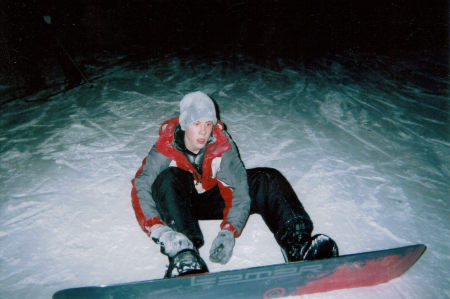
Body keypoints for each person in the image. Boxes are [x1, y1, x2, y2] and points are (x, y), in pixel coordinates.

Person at [131, 91, 338, 278]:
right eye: (197, 124)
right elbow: (141, 186)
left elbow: (239, 188)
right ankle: (185, 256)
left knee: (267, 178)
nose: (203, 132)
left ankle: (297, 245)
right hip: (178, 202)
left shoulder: (222, 145)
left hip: (211, 197)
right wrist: (158, 229)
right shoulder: (164, 149)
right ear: (185, 124)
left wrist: (229, 230)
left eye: (208, 124)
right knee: (168, 177)